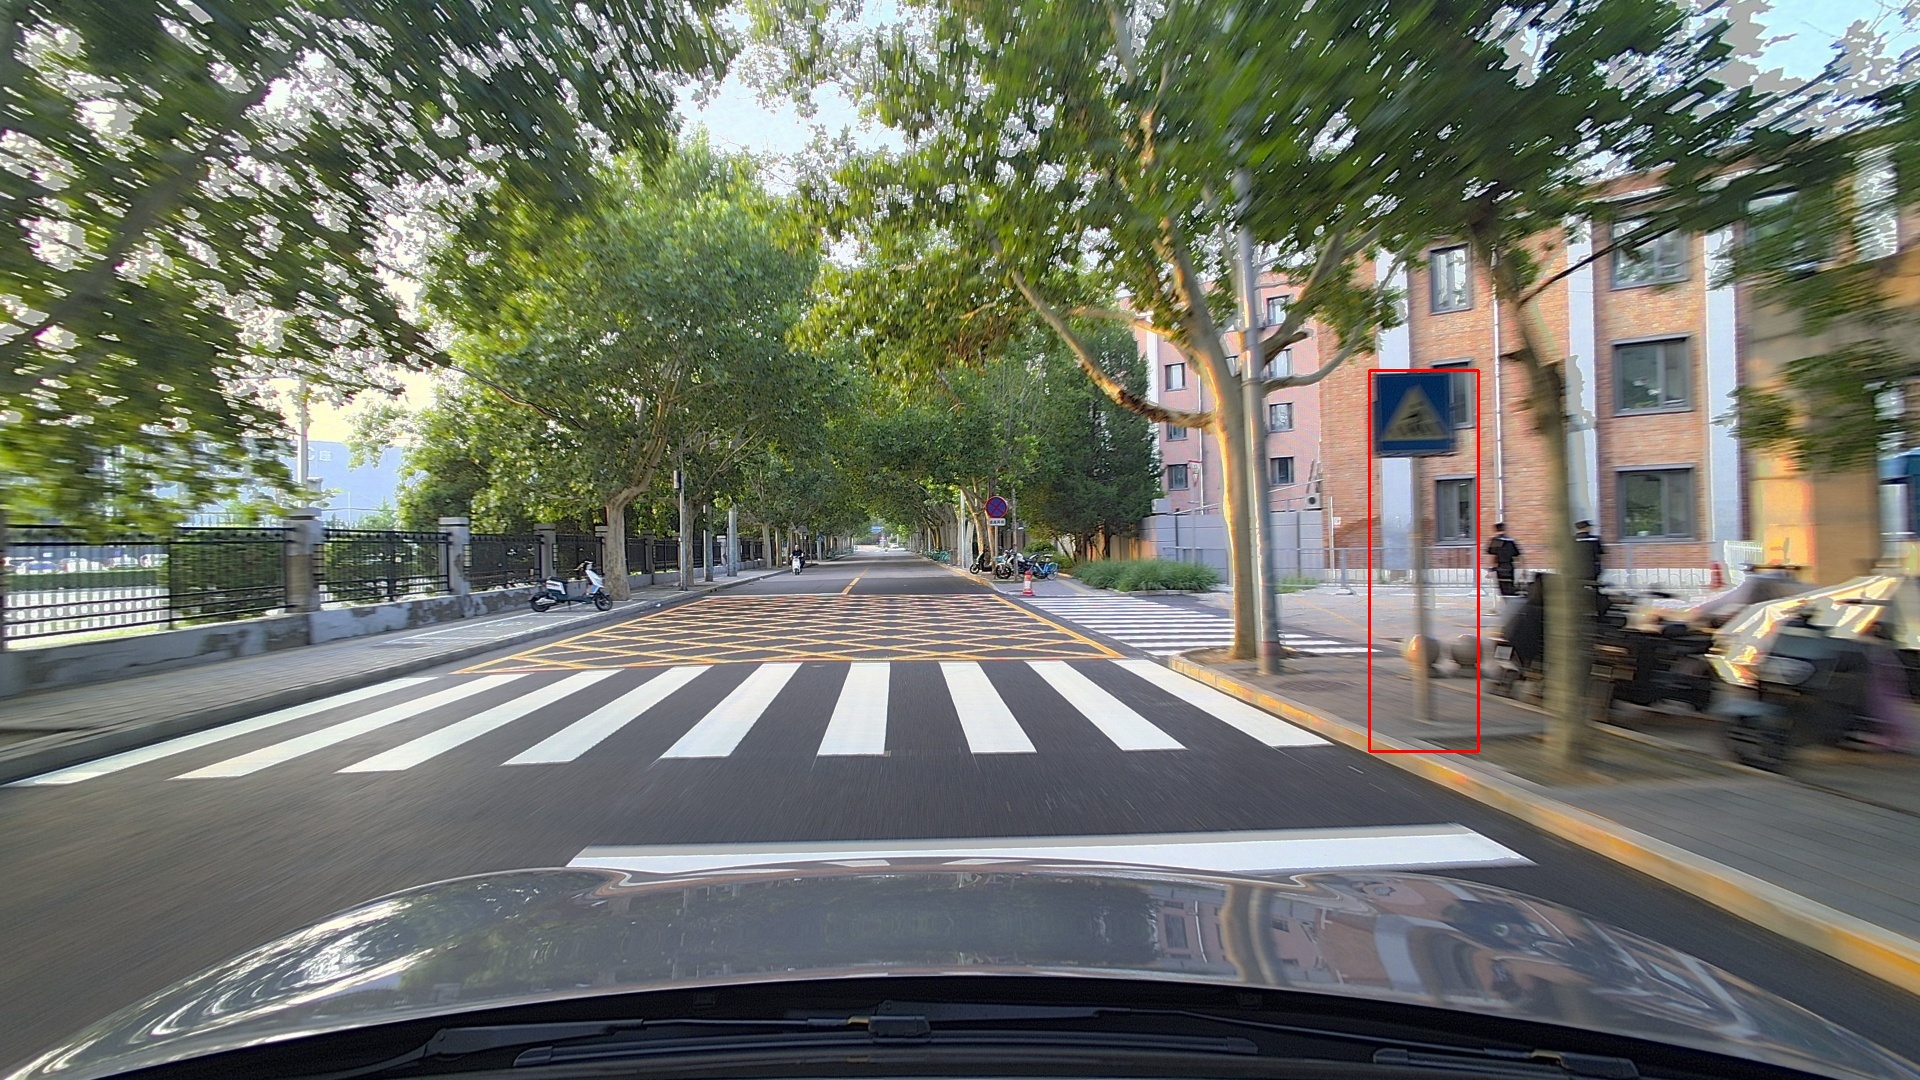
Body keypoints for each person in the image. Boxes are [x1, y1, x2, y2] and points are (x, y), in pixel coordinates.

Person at [1486, 523, 1522, 596]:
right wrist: (1521, 569)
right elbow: (1517, 555)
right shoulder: (1511, 541)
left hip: (1500, 566)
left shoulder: (1495, 541)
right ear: (1505, 529)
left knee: (1502, 586)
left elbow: (1493, 556)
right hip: (1510, 566)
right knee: (1510, 585)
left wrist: (1490, 570)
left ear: (1495, 530)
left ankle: (1505, 599)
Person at [1574, 520, 1604, 584]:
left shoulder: (1571, 540)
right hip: (1592, 569)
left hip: (1576, 569)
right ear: (1586, 528)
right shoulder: (1594, 539)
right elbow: (1600, 553)